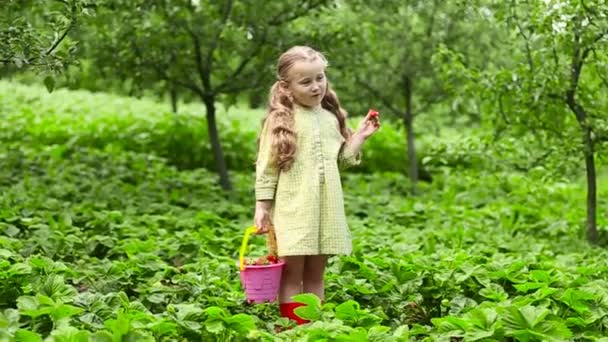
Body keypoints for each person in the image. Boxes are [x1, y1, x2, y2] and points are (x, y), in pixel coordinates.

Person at [253, 45, 380, 325]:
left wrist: (360, 136)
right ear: (287, 87)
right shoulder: (281, 120)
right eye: (306, 81)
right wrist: (262, 206)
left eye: (320, 78)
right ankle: (290, 329)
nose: (316, 87)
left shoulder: (330, 117)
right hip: (294, 209)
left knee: (315, 274)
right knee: (292, 274)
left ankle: (313, 328)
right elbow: (267, 165)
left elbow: (342, 160)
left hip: (325, 210)